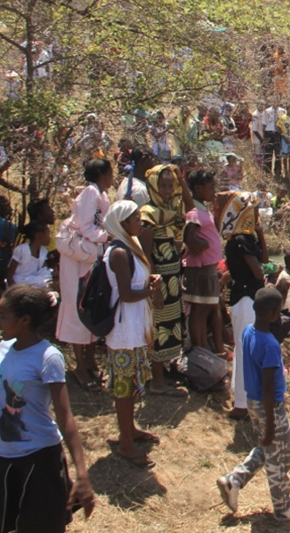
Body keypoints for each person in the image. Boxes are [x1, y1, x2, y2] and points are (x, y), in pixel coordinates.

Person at [0, 285, 95, 532]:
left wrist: (82, 475)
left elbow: (65, 418)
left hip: (40, 461)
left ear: (24, 320)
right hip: (3, 458)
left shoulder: (47, 356)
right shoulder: (2, 349)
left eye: (2, 316)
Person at [217, 287, 290, 521]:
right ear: (274, 312)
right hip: (269, 405)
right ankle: (283, 507)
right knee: (279, 457)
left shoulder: (247, 332)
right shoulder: (270, 345)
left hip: (253, 401)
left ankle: (234, 480)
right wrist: (272, 421)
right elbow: (269, 386)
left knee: (267, 447)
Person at [102, 200, 163, 468]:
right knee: (124, 388)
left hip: (135, 327)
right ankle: (125, 441)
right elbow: (126, 294)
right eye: (136, 219)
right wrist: (150, 291)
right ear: (122, 223)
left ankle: (130, 430)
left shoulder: (131, 247)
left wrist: (149, 283)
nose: (140, 222)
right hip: (123, 330)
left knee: (132, 383)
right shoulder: (117, 253)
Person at [56, 157, 112, 391]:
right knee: (77, 305)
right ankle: (79, 366)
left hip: (90, 258)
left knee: (91, 304)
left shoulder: (101, 193)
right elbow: (87, 226)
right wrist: (107, 236)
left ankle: (89, 360)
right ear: (102, 174)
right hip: (79, 257)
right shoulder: (91, 193)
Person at [138, 164, 193, 396]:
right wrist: (155, 288)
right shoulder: (148, 215)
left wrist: (181, 178)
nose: (169, 189)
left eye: (172, 185)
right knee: (159, 329)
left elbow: (190, 207)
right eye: (163, 185)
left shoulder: (173, 209)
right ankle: (157, 381)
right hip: (160, 283)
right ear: (153, 187)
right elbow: (146, 255)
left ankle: (163, 376)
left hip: (173, 280)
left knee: (170, 327)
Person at [222, 192, 266, 420]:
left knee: (246, 350)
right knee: (244, 351)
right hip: (245, 300)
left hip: (249, 299)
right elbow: (259, 270)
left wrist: (260, 233)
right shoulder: (238, 241)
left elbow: (264, 260)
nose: (257, 215)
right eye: (254, 211)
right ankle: (242, 405)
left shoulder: (247, 238)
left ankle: (246, 400)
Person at [182, 169, 225, 354]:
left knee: (206, 308)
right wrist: (204, 243)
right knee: (199, 310)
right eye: (210, 187)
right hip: (199, 268)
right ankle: (199, 350)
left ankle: (204, 348)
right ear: (198, 189)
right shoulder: (194, 212)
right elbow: (189, 236)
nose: (213, 190)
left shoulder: (202, 208)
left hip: (207, 267)